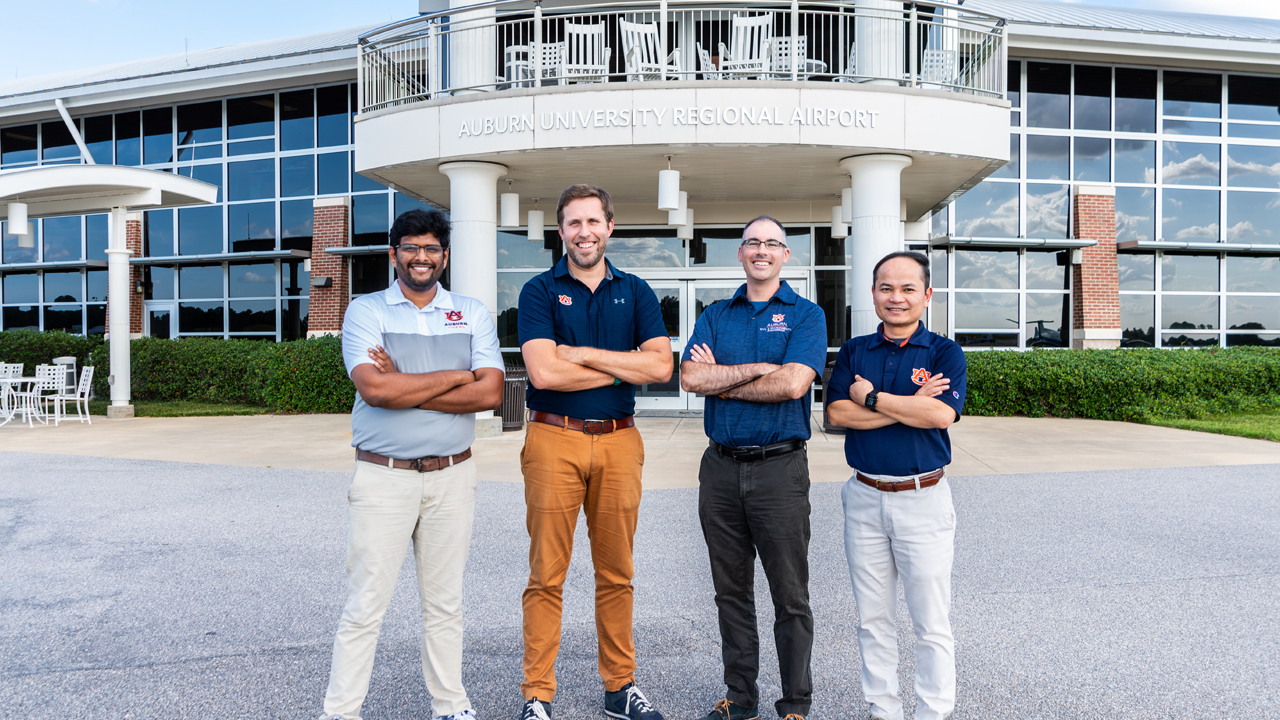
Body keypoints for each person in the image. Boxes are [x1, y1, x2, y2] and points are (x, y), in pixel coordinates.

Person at [320, 208, 505, 720]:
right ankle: (340, 712)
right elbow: (375, 388)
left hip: (453, 474)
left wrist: (409, 384)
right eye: (410, 248)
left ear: (444, 256)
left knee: (445, 605)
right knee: (365, 607)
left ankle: (450, 707)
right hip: (384, 476)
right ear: (393, 254)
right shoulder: (366, 310)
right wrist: (454, 377)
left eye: (430, 249)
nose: (420, 258)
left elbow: (490, 392)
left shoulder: (470, 311)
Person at [516, 184, 673, 720]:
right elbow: (543, 371)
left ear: (610, 227)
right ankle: (538, 695)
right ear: (561, 232)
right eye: (573, 223)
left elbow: (659, 367)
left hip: (619, 439)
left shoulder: (637, 291)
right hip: (552, 437)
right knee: (546, 575)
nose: (584, 232)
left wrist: (580, 353)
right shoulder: (538, 291)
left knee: (617, 572)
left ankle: (620, 687)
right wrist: (621, 361)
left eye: (593, 221)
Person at [679, 216, 827, 720]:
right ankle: (740, 699)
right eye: (752, 243)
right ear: (739, 254)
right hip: (719, 470)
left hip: (779, 471)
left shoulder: (806, 316)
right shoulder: (717, 314)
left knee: (790, 594)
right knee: (731, 593)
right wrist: (761, 368)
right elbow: (690, 377)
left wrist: (721, 378)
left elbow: (792, 386)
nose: (761, 250)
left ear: (786, 254)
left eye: (772, 243)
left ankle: (795, 704)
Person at [824, 251, 967, 720]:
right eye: (886, 288)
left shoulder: (944, 352)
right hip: (864, 495)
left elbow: (939, 414)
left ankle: (933, 713)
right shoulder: (854, 351)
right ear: (873, 294)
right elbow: (837, 415)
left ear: (926, 295)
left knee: (930, 621)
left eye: (908, 289)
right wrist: (907, 404)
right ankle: (883, 711)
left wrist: (871, 397)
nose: (896, 298)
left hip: (922, 497)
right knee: (873, 620)